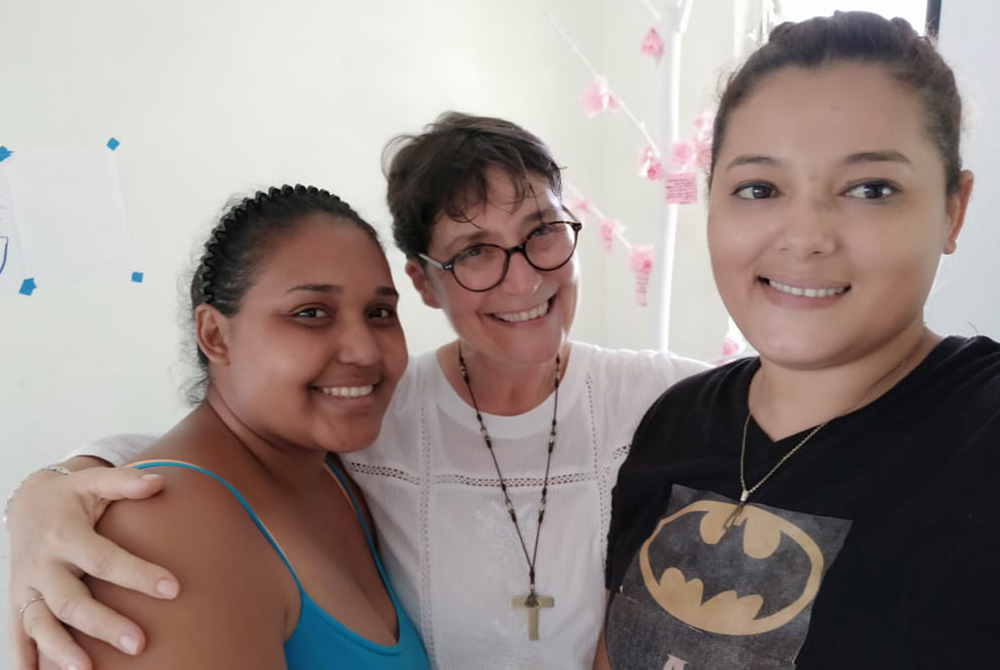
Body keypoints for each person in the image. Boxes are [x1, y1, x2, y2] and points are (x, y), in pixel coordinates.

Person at [6, 115, 708, 670]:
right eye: (474, 252)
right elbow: (194, 466)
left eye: (543, 233)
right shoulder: (382, 417)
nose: (522, 279)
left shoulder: (666, 396)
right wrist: (50, 487)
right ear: (426, 282)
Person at [595, 11, 997, 669]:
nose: (805, 236)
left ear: (953, 208)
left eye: (871, 188)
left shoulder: (982, 439)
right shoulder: (673, 421)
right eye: (759, 188)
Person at [26, 184, 429, 668]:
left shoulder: (337, 474)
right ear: (215, 336)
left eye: (379, 313)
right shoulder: (164, 535)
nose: (364, 351)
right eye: (311, 314)